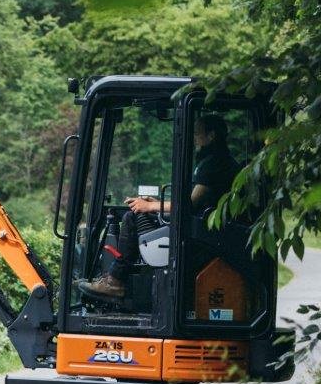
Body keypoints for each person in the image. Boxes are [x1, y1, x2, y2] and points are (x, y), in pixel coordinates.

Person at [77, 114, 241, 299]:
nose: (194, 138)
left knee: (132, 217)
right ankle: (115, 278)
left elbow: (189, 204)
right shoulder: (214, 160)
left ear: (211, 136)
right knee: (137, 213)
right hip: (200, 225)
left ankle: (115, 281)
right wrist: (155, 203)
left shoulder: (215, 163)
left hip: (201, 234)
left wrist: (150, 206)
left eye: (197, 133)